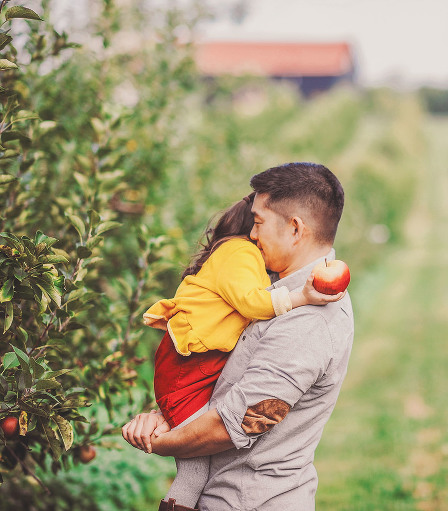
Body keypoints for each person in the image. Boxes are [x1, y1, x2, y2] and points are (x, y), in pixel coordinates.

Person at [122, 162, 354, 511]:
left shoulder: (307, 323)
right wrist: (170, 413)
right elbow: (224, 380)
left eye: (259, 222)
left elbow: (234, 425)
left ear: (295, 229)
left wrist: (159, 441)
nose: (253, 234)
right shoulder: (271, 292)